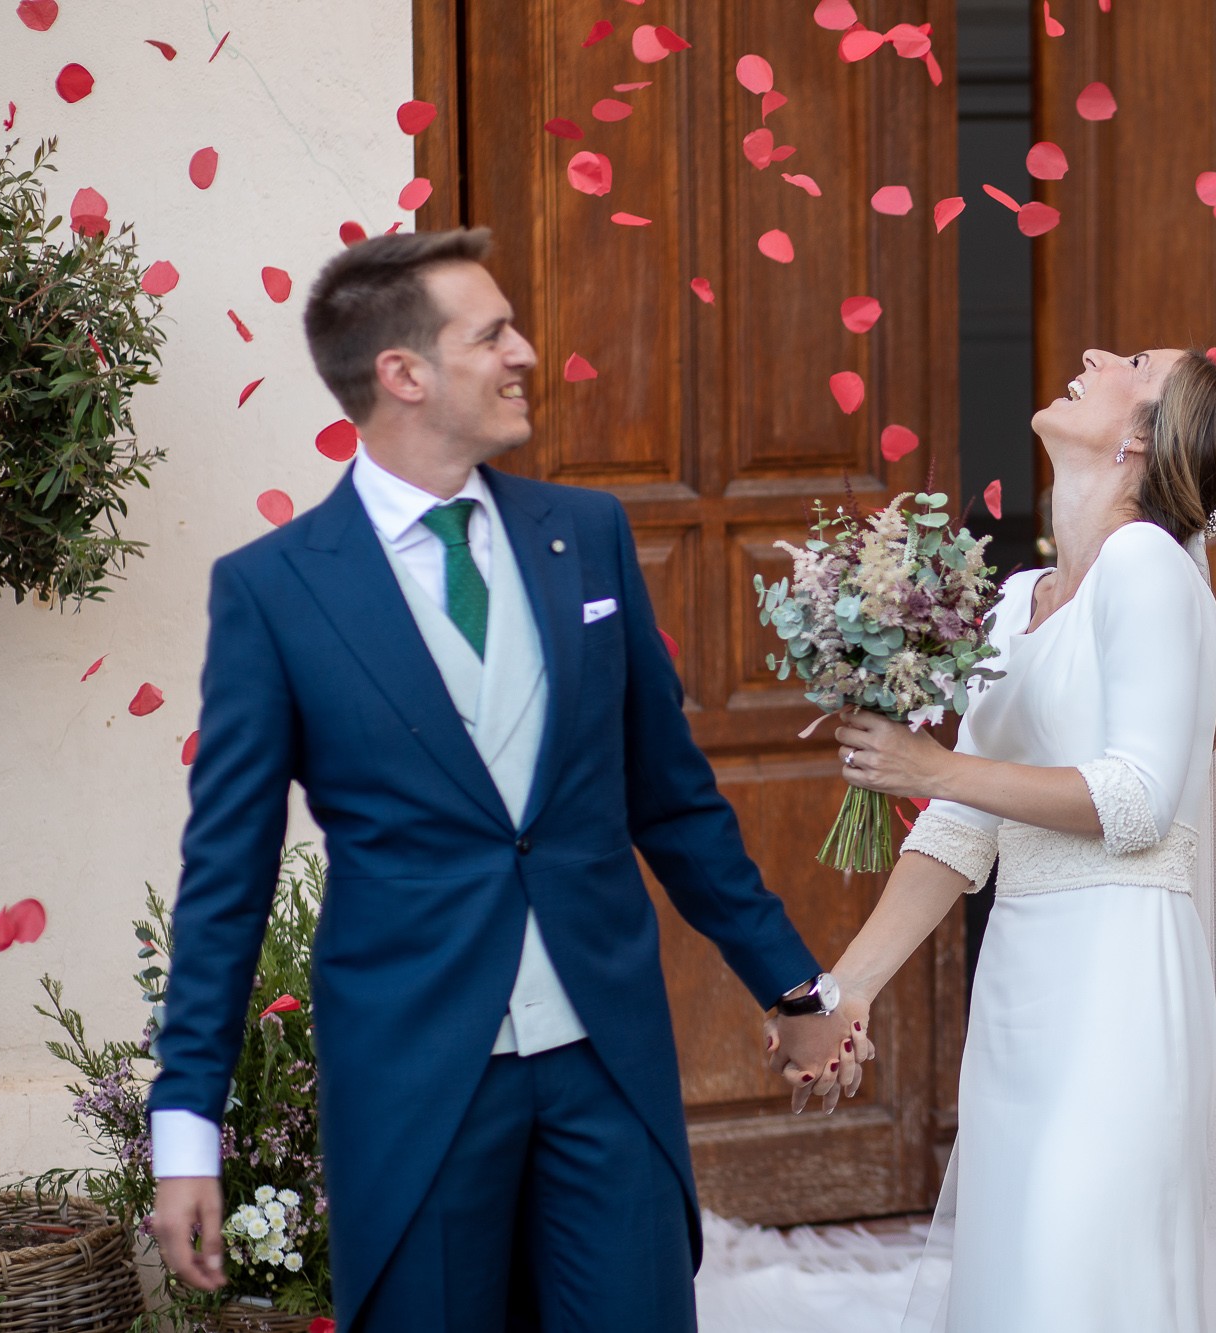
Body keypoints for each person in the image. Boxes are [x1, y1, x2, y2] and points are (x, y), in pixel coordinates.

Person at [146, 228, 862, 1331]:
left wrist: (791, 985)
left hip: (603, 1065)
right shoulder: (276, 591)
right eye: (491, 334)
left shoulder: (586, 535)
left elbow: (668, 798)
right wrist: (186, 1124)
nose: (523, 351)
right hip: (417, 1077)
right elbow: (225, 881)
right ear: (402, 374)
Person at [765, 346, 1216, 1331]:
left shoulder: (1148, 568)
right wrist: (848, 987)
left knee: (1077, 1268)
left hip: (1117, 981)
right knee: (1018, 1267)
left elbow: (1135, 801)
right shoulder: (1016, 601)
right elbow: (961, 823)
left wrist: (932, 765)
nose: (1088, 355)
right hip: (1022, 988)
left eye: (1128, 362)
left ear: (1139, 437)